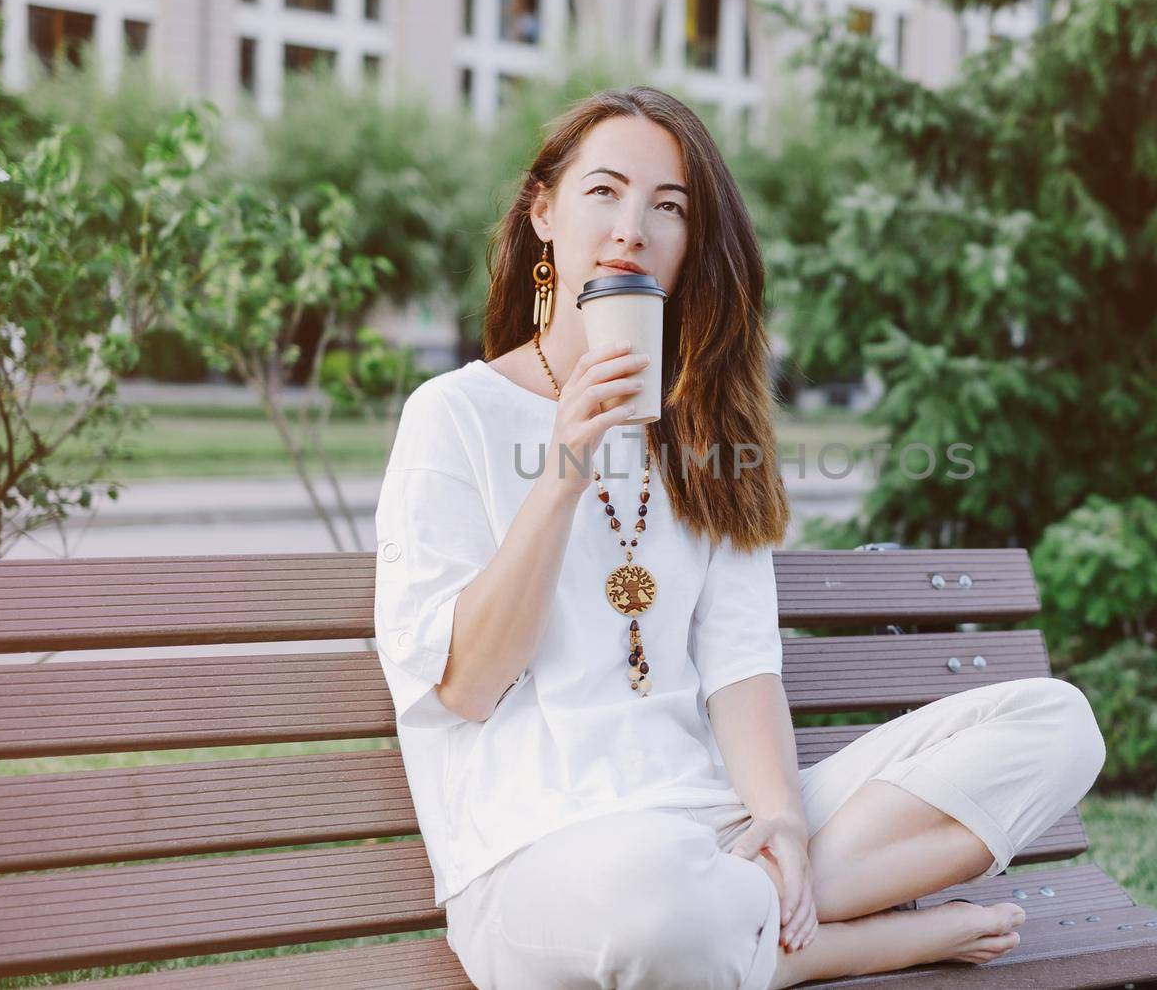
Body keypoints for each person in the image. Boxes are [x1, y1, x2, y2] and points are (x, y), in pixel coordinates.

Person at [372, 86, 1107, 990]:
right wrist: (565, 467)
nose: (632, 227)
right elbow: (467, 683)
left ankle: (764, 911)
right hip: (544, 860)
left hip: (713, 830)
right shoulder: (452, 414)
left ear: (690, 248)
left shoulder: (709, 431)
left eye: (668, 207)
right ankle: (850, 943)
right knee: (657, 901)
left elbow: (741, 662)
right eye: (604, 191)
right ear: (545, 214)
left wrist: (783, 823)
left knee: (1055, 725)